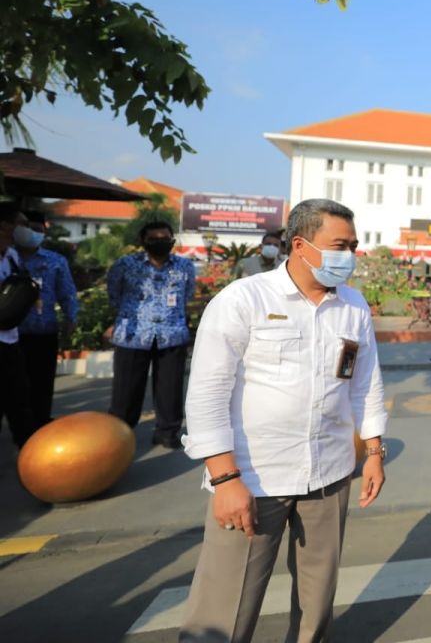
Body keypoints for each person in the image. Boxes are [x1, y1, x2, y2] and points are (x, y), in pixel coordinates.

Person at [179, 198, 388, 643]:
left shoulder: (353, 307)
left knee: (316, 605)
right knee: (224, 612)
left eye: (353, 246)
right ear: (300, 244)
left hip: (329, 475)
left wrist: (373, 452)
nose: (348, 257)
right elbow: (207, 395)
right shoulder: (243, 300)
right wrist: (224, 479)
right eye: (339, 246)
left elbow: (364, 383)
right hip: (254, 480)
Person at [106, 220, 195, 448]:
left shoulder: (184, 266)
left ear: (172, 241)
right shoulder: (126, 264)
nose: (160, 243)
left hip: (171, 333)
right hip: (133, 335)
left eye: (164, 238)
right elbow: (114, 293)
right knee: (126, 389)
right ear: (143, 242)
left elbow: (187, 295)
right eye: (153, 239)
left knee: (170, 387)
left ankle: (167, 431)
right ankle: (119, 433)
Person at [16, 210, 78, 425]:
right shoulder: (7, 257)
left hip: (44, 331)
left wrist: (71, 319)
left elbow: (67, 292)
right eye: (28, 229)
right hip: (10, 334)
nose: (33, 234)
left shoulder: (55, 261)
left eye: (38, 230)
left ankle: (39, 425)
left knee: (41, 384)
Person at [0, 204, 39, 447]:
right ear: (4, 226)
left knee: (19, 399)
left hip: (10, 338)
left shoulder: (12, 256)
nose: (28, 229)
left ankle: (30, 458)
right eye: (23, 224)